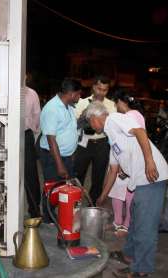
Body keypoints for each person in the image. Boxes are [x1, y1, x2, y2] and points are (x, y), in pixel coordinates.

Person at [85, 101, 168, 278]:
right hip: (139, 181)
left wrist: (149, 161)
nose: (90, 126)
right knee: (135, 218)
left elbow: (140, 132)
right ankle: (129, 255)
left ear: (94, 118)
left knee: (145, 227)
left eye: (89, 122)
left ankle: (142, 270)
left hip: (152, 177)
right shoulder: (112, 137)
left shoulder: (114, 119)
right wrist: (102, 197)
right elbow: (113, 171)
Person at [96, 89, 145, 238]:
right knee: (117, 190)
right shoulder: (125, 115)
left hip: (131, 161)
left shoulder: (133, 115)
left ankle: (127, 224)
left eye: (116, 104)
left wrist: (126, 164)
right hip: (121, 159)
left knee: (130, 192)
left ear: (121, 102)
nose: (116, 108)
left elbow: (136, 138)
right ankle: (118, 221)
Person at [39, 78, 82, 223]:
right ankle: (48, 220)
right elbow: (51, 140)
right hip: (53, 157)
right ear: (71, 94)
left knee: (63, 190)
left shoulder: (68, 106)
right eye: (78, 94)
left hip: (65, 156)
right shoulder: (52, 109)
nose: (79, 97)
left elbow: (69, 130)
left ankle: (58, 217)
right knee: (52, 190)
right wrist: (60, 165)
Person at [74, 75, 116, 205]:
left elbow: (113, 127)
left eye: (105, 90)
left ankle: (93, 206)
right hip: (84, 143)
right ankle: (75, 203)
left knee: (98, 178)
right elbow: (74, 124)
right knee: (78, 175)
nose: (101, 92)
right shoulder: (82, 102)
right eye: (99, 88)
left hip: (102, 144)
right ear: (93, 87)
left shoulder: (111, 105)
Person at [23, 77, 42, 218]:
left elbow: (37, 116)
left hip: (25, 135)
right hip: (5, 134)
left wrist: (33, 134)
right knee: (2, 171)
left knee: (30, 174)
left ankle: (34, 210)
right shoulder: (5, 90)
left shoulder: (32, 93)